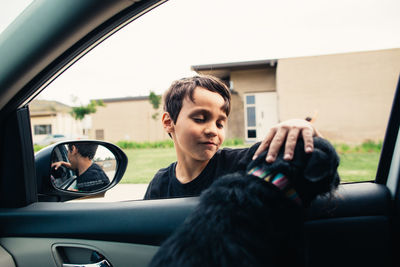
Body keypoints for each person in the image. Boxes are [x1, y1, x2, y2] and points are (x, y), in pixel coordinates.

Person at [144, 75, 320, 200]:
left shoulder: (242, 164)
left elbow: (309, 167)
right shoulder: (160, 184)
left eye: (220, 123)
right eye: (200, 119)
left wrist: (301, 129)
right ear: (168, 122)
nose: (213, 130)